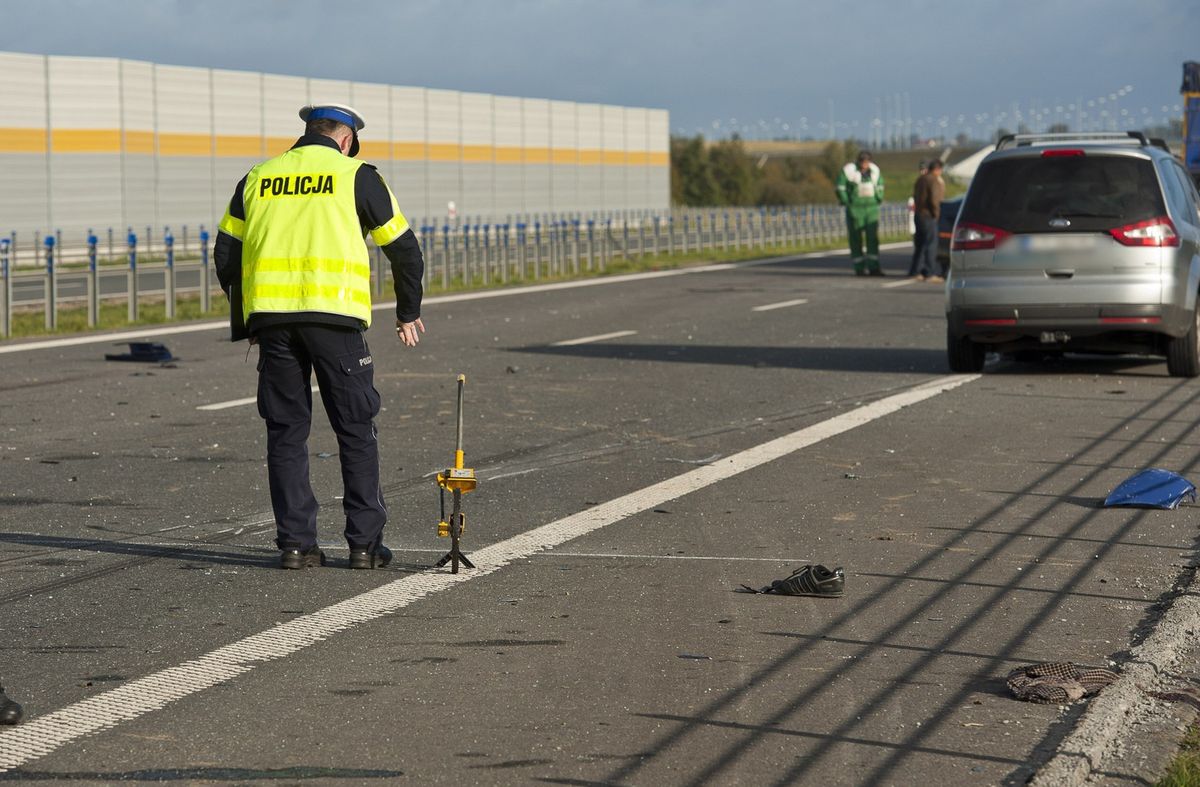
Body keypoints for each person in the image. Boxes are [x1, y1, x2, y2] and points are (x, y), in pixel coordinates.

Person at [214, 103, 426, 570]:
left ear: (308, 132)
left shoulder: (258, 176)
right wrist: (407, 312)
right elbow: (404, 249)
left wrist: (248, 320)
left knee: (286, 432)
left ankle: (295, 545)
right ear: (347, 139)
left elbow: (226, 253)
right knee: (355, 429)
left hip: (273, 321)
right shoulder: (356, 176)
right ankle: (364, 547)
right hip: (335, 321)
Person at [835, 150, 885, 276]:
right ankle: (859, 267)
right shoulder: (849, 171)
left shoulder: (875, 171)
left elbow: (880, 186)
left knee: (872, 238)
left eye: (867, 162)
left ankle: (874, 267)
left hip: (871, 208)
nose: (865, 164)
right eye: (863, 162)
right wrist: (847, 202)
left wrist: (879, 199)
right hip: (855, 209)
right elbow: (840, 187)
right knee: (856, 238)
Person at [911, 159, 945, 282]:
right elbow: (934, 200)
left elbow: (914, 195)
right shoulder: (933, 180)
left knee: (919, 244)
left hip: (918, 214)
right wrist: (937, 214)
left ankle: (915, 271)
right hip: (928, 215)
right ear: (937, 169)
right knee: (931, 244)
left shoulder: (921, 179)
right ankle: (930, 272)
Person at [907, 160, 929, 278]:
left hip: (921, 215)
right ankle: (918, 269)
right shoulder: (922, 181)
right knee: (923, 244)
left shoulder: (923, 181)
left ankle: (916, 269)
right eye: (921, 169)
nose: (922, 171)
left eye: (924, 169)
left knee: (922, 245)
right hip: (923, 216)